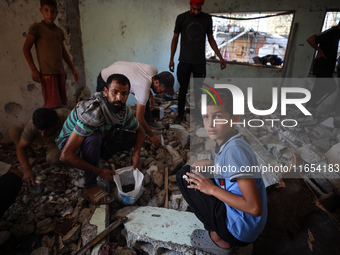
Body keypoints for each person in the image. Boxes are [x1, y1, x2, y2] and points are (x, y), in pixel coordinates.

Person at [176, 89, 267, 254]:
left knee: (184, 175)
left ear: (235, 118)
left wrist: (211, 189)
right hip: (249, 226)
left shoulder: (234, 151)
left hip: (240, 231)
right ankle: (221, 230)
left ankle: (220, 240)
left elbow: (255, 208)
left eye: (218, 116)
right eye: (206, 117)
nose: (210, 124)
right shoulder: (233, 141)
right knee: (196, 172)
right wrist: (213, 163)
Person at [56, 73, 145, 205]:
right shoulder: (93, 113)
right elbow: (65, 156)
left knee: (129, 137)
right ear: (105, 91)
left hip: (98, 137)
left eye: (124, 94)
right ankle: (90, 186)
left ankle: (97, 158)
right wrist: (99, 172)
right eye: (114, 92)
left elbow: (140, 131)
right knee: (94, 138)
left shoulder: (122, 111)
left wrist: (136, 153)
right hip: (70, 145)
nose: (119, 98)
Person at [169, 0, 227, 124]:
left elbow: (211, 38)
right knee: (183, 89)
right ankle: (180, 114)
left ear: (202, 6)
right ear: (190, 5)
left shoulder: (207, 19)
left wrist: (220, 57)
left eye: (198, 9)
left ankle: (198, 116)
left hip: (199, 62)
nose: (196, 12)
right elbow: (175, 38)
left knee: (198, 90)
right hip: (184, 61)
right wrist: (171, 59)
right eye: (194, 9)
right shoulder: (181, 18)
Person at [97, 61, 174, 147]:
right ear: (156, 82)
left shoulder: (153, 70)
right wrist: (152, 136)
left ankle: (148, 119)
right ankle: (104, 138)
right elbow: (139, 118)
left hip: (116, 68)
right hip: (105, 78)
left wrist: (151, 95)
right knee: (106, 109)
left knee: (144, 96)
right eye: (162, 90)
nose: (162, 94)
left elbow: (147, 84)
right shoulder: (142, 86)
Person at [23, 0, 79, 109]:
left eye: (52, 11)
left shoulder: (58, 31)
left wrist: (73, 69)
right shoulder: (37, 28)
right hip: (47, 73)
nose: (49, 14)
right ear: (41, 11)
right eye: (46, 10)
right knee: (52, 106)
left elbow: (63, 52)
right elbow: (26, 49)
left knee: (63, 104)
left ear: (57, 12)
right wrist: (33, 69)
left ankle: (63, 126)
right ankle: (53, 126)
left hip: (60, 72)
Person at [9, 108, 70, 187]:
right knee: (14, 132)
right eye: (40, 131)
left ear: (57, 123)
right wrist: (26, 170)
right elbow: (21, 148)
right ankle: (31, 156)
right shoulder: (33, 125)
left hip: (62, 141)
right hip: (44, 140)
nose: (43, 134)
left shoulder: (67, 118)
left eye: (47, 131)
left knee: (52, 158)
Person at [306, 21, 340, 113]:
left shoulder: (337, 35)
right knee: (331, 87)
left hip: (327, 67)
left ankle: (309, 108)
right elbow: (310, 39)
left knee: (318, 88)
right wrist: (319, 51)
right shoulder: (331, 32)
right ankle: (311, 106)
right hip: (322, 66)